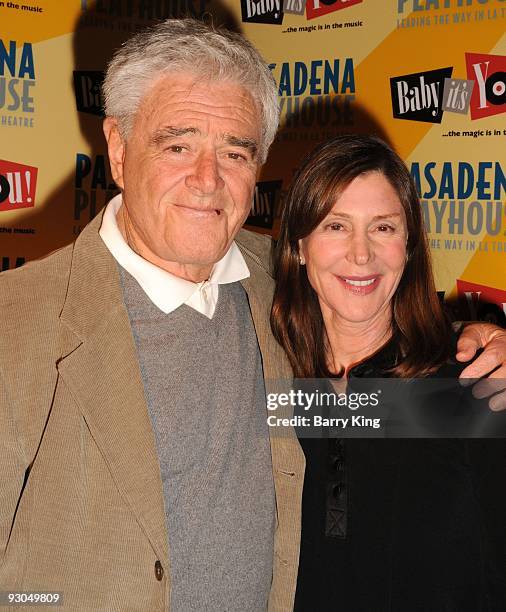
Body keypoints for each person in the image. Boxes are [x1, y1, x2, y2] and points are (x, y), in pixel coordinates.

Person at [0, 19, 504, 612]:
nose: (207, 180)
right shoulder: (19, 324)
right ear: (118, 147)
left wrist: (469, 342)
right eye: (178, 145)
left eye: (234, 152)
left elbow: (369, 324)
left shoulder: (273, 283)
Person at [271, 134, 506, 611]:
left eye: (383, 228)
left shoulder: (473, 387)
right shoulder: (271, 383)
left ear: (409, 245)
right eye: (335, 226)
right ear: (299, 246)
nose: (361, 255)